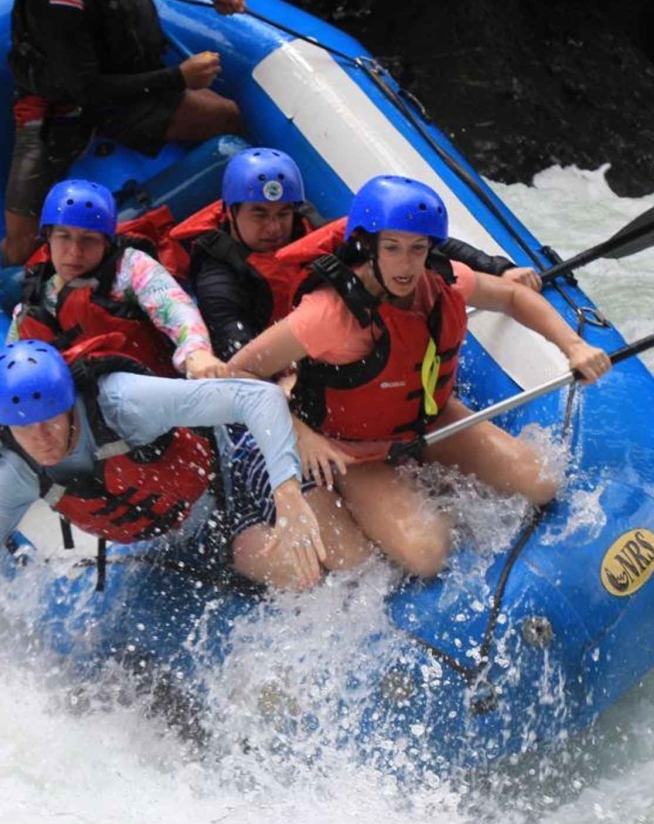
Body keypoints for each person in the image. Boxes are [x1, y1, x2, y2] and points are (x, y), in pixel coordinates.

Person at [0, 338, 370, 671]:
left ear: (69, 405)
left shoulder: (124, 402)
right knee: (293, 575)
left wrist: (286, 495)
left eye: (51, 421)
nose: (41, 438)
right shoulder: (12, 473)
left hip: (236, 468)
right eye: (24, 428)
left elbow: (260, 400)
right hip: (197, 532)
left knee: (346, 560)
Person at [227, 175, 612, 578]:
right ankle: (308, 510)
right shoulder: (328, 314)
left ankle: (417, 484)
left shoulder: (442, 280)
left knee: (540, 482)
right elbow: (239, 374)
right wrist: (303, 437)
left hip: (429, 419)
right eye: (392, 248)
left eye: (417, 249)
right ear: (367, 246)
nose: (407, 264)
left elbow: (513, 296)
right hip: (353, 451)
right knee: (427, 552)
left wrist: (574, 347)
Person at [1, 0, 246, 266]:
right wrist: (178, 78)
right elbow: (85, 89)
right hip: (60, 103)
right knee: (20, 244)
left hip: (127, 85)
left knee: (226, 116)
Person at [173, 147, 546, 362]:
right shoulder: (216, 271)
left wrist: (498, 268)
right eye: (259, 215)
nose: (274, 228)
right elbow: (233, 341)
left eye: (282, 214)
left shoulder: (316, 233)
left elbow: (418, 237)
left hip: (336, 340)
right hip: (287, 349)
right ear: (230, 213)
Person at [9, 178, 226, 379]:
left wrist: (196, 351)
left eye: (89, 239)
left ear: (106, 242)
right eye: (64, 237)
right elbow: (11, 364)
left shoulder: (130, 267)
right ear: (48, 237)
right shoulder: (37, 295)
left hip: (150, 388)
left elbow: (173, 305)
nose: (74, 252)